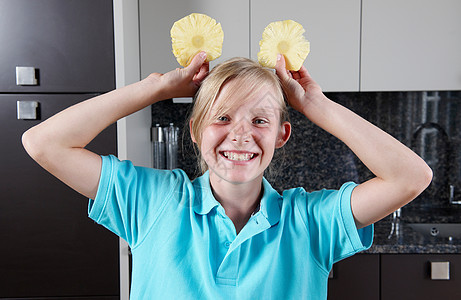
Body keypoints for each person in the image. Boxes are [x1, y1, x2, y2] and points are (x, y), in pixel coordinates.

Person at [22, 51, 432, 299]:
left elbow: (411, 177)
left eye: (259, 119)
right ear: (198, 131)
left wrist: (316, 106)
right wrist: (156, 87)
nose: (241, 134)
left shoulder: (310, 223)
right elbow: (44, 143)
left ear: (281, 134)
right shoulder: (152, 201)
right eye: (222, 117)